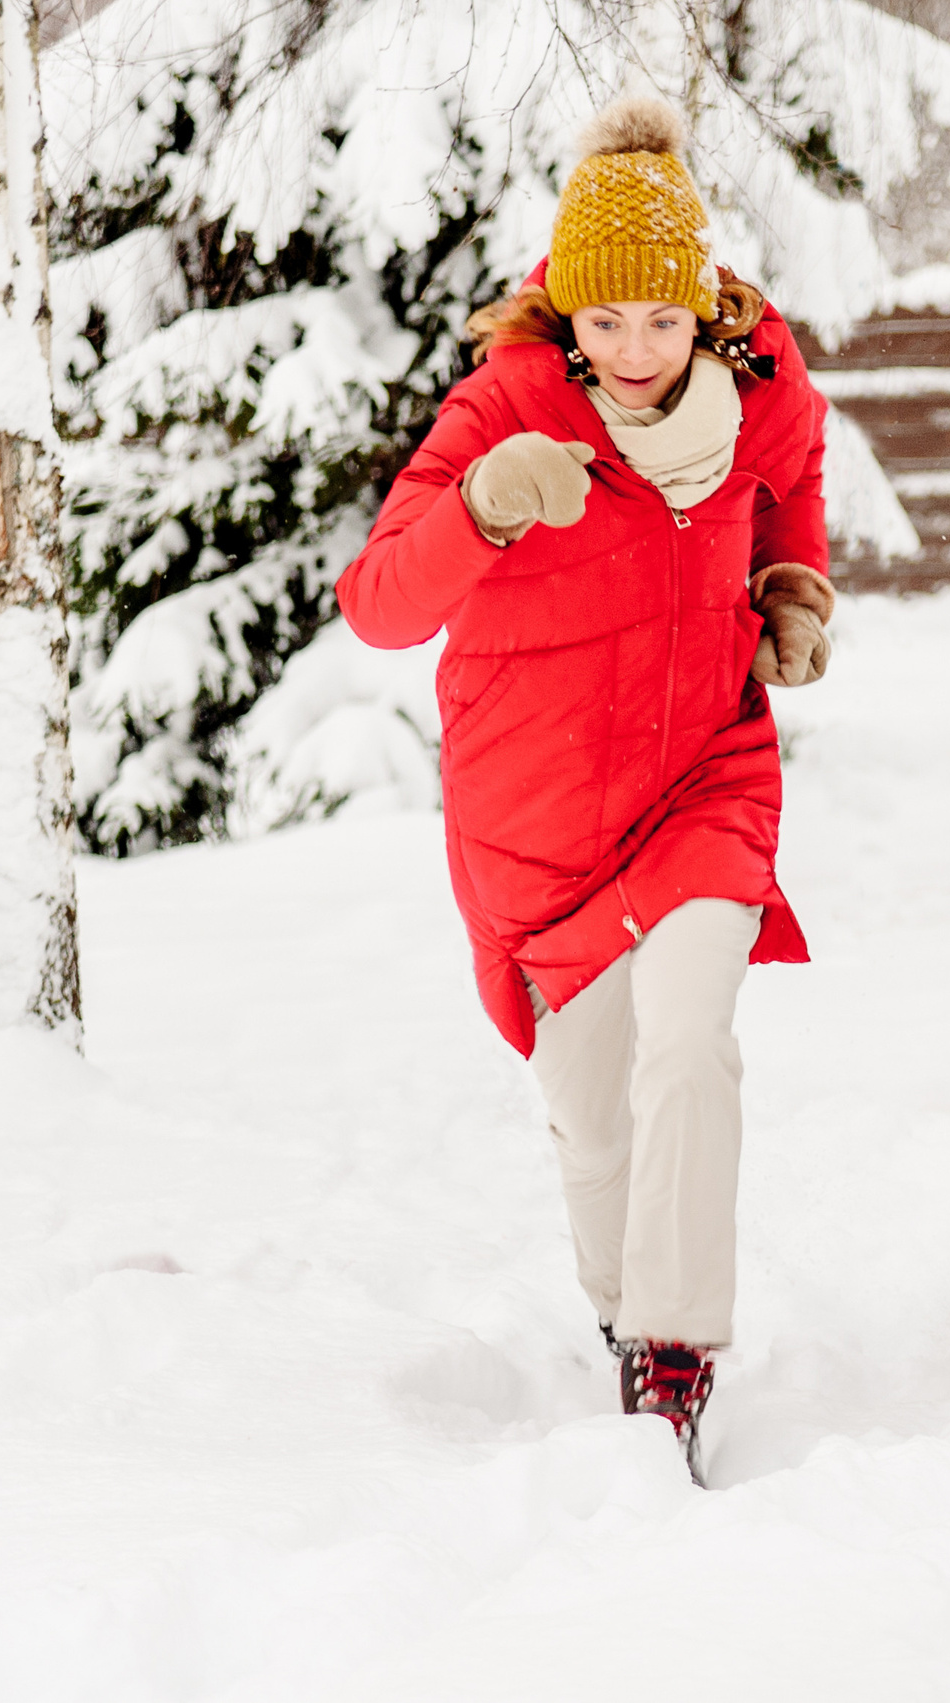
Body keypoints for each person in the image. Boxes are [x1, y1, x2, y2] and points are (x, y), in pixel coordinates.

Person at [335, 93, 834, 1483]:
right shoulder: (505, 409)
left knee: (691, 1040)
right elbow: (379, 604)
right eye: (604, 321)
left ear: (703, 306)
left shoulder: (760, 385)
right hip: (541, 815)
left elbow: (792, 475)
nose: (636, 352)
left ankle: (672, 1350)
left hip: (705, 777)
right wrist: (485, 506)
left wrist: (793, 584)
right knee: (594, 1116)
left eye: (663, 320)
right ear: (564, 308)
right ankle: (624, 1311)